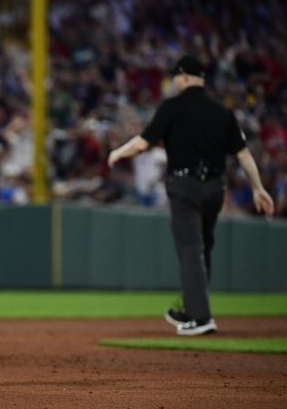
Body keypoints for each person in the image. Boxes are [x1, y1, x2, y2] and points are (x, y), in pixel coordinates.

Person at [108, 54, 274, 336]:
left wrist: (118, 152)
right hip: (215, 188)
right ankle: (190, 307)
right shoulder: (222, 111)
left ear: (183, 77)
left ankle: (200, 317)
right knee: (202, 247)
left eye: (176, 77)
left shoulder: (173, 106)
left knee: (190, 249)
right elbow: (244, 155)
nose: (174, 82)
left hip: (185, 186)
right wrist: (258, 188)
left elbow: (143, 143)